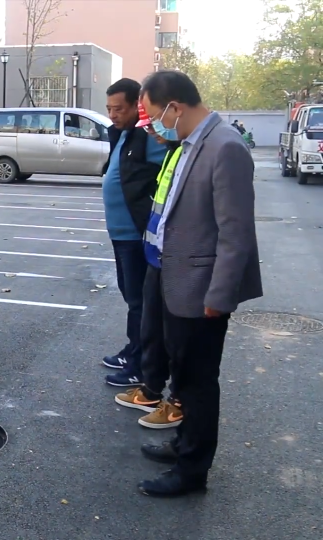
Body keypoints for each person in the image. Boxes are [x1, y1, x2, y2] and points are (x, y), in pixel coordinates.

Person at [137, 70, 262, 497]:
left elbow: (236, 232)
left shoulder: (225, 146)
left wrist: (220, 296)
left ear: (176, 106)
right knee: (182, 371)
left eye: (156, 114)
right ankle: (182, 443)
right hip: (177, 280)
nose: (155, 123)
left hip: (202, 290)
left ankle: (192, 472)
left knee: (198, 381)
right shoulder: (191, 143)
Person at [113, 102, 185, 430]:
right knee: (152, 320)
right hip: (156, 249)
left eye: (154, 123)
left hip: (179, 259)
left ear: (175, 109)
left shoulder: (195, 150)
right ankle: (153, 389)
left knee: (181, 339)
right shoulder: (170, 149)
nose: (152, 131)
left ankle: (179, 408)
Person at [100, 78, 168, 389]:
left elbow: (168, 170)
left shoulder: (149, 137)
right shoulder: (124, 135)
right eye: (109, 109)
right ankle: (133, 348)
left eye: (119, 109)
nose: (113, 115)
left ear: (136, 106)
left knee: (140, 301)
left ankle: (141, 363)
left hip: (136, 234)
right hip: (120, 234)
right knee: (132, 297)